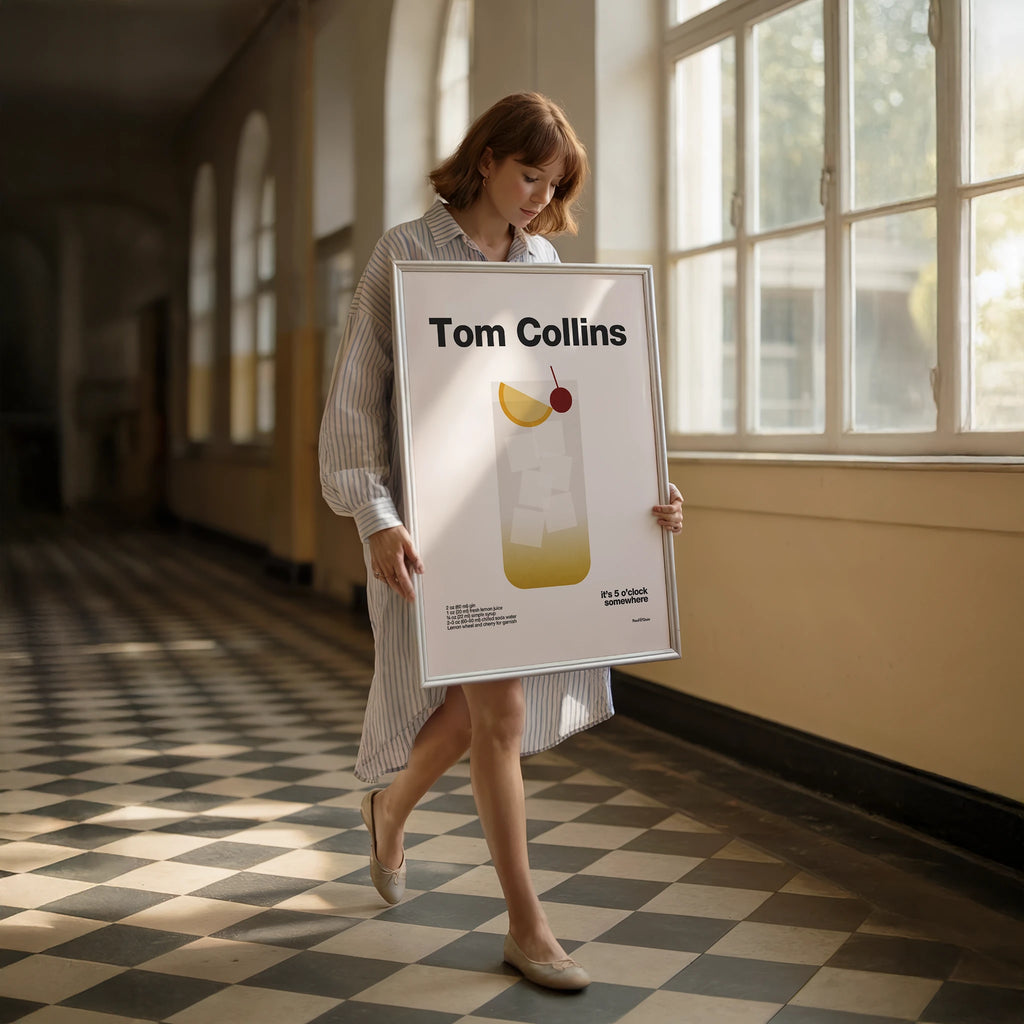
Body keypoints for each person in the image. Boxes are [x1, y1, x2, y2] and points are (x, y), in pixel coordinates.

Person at [319, 92, 684, 992]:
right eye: (529, 174)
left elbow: (579, 392)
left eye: (552, 184)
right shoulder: (403, 253)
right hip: (435, 529)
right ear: (485, 159)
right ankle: (527, 925)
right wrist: (374, 514)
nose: (537, 197)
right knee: (500, 714)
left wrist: (645, 487)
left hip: (526, 515)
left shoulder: (547, 264)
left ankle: (389, 807)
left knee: (484, 712)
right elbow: (356, 400)